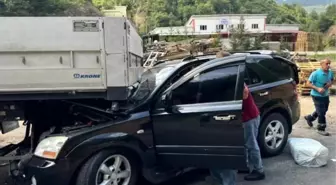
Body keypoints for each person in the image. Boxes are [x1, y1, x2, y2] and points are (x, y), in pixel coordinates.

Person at [207, 52, 265, 185]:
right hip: (243, 117)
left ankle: (258, 170)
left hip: (249, 117)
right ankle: (245, 166)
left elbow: (244, 94)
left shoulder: (235, 75)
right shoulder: (229, 75)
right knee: (244, 144)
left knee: (251, 144)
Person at [304, 59, 334, 136]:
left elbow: (332, 80)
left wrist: (329, 84)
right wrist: (317, 88)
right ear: (322, 64)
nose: (328, 65)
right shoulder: (315, 73)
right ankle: (321, 128)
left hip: (325, 94)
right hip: (316, 95)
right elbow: (308, 83)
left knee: (324, 109)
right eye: (327, 64)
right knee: (321, 112)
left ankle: (310, 118)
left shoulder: (330, 72)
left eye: (329, 64)